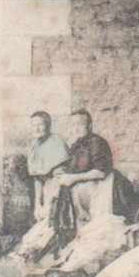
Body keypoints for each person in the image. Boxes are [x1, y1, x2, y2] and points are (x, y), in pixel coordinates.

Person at [41, 109, 121, 256]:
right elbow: (74, 169)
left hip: (102, 187)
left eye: (80, 124)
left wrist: (73, 178)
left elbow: (101, 172)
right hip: (83, 187)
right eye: (73, 125)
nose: (76, 128)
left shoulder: (97, 142)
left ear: (89, 125)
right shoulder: (76, 145)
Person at [25, 111, 70, 222]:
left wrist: (47, 204)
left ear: (48, 126)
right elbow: (38, 178)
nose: (37, 128)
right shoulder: (35, 146)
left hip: (59, 188)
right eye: (34, 125)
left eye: (40, 124)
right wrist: (37, 205)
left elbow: (59, 177)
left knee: (51, 217)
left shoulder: (56, 141)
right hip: (45, 188)